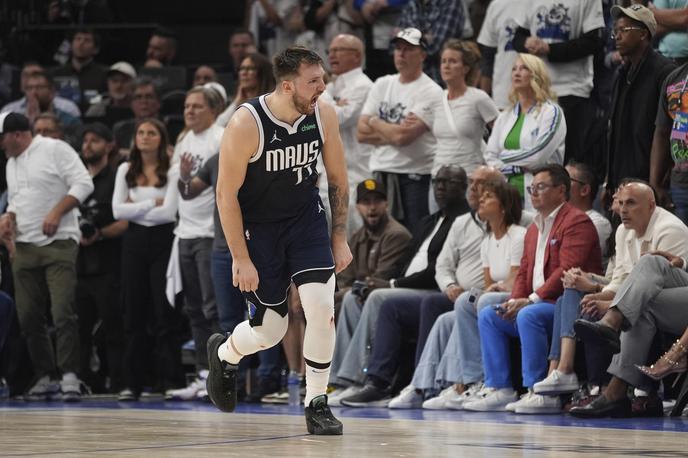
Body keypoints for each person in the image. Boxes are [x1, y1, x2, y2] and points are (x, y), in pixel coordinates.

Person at [209, 47, 352, 435]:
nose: (323, 87)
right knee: (269, 332)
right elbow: (226, 195)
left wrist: (339, 237)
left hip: (306, 220)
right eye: (314, 82)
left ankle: (317, 401)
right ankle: (225, 353)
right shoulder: (246, 123)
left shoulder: (323, 114)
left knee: (321, 309)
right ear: (288, 86)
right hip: (260, 230)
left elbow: (338, 179)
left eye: (322, 79)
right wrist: (240, 257)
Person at [327, 164, 471, 405]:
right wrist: (382, 282)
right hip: (405, 287)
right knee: (354, 297)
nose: (442, 188)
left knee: (377, 297)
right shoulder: (429, 221)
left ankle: (369, 382)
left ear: (464, 188)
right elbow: (404, 263)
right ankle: (345, 381)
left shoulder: (461, 222)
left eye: (450, 183)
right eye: (438, 183)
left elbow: (435, 270)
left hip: (429, 289)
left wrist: (390, 284)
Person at [463, 164, 602, 413]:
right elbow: (524, 272)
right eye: (531, 188)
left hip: (565, 304)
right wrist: (515, 300)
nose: (533, 193)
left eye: (540, 187)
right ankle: (500, 388)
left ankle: (538, 390)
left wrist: (530, 300)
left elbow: (566, 270)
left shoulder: (577, 222)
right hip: (538, 300)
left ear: (561, 190)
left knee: (529, 315)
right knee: (490, 315)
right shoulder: (534, 228)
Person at [389, 178, 525, 409]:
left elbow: (516, 278)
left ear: (503, 206)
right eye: (480, 198)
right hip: (491, 297)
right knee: (446, 320)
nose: (480, 200)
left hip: (514, 298)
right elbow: (488, 282)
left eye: (488, 197)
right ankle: (422, 385)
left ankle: (470, 380)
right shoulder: (488, 240)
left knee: (465, 303)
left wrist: (491, 290)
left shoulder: (519, 235)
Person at [0, 112, 94, 402]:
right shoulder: (12, 163)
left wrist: (57, 211)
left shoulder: (54, 149)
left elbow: (83, 183)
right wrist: (8, 216)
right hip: (23, 246)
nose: (1, 145)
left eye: (2, 139)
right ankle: (45, 374)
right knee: (28, 315)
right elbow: (19, 197)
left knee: (62, 310)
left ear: (16, 134)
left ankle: (69, 375)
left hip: (59, 243)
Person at [111, 118, 181, 401]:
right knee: (134, 311)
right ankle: (133, 382)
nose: (145, 137)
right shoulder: (125, 169)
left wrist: (134, 208)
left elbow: (169, 213)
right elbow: (117, 211)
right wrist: (152, 203)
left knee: (165, 312)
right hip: (134, 243)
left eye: (151, 133)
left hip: (164, 240)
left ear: (161, 139)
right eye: (141, 133)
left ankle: (171, 380)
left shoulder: (174, 171)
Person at [164, 86, 225, 401]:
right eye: (187, 106)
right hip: (184, 232)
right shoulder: (184, 139)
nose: (189, 111)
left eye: (197, 106)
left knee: (212, 307)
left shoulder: (222, 137)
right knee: (193, 308)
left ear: (213, 109)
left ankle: (220, 374)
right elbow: (182, 187)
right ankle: (202, 374)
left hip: (210, 233)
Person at [357, 27, 444, 230]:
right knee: (379, 236)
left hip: (414, 176)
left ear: (422, 54)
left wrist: (375, 122)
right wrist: (393, 130)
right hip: (380, 171)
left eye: (408, 49)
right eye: (398, 48)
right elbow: (360, 133)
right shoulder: (382, 84)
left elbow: (403, 138)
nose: (401, 54)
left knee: (413, 237)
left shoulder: (431, 91)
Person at [512, 0, 605, 167]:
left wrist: (550, 50)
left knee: (569, 160)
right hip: (536, 90)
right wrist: (526, 43)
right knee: (535, 157)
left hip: (572, 89)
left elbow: (594, 42)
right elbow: (518, 37)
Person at [603, 4, 676, 205]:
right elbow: (614, 132)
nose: (617, 36)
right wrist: (609, 182)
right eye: (615, 31)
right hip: (622, 183)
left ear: (643, 34)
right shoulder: (621, 74)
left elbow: (667, 131)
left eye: (624, 30)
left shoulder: (664, 73)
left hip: (649, 184)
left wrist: (658, 182)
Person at [76, 123, 128, 393]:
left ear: (109, 145)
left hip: (108, 263)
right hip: (79, 264)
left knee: (113, 327)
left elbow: (125, 221)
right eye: (85, 141)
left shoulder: (116, 177)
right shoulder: (76, 179)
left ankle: (118, 381)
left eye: (95, 140)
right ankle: (84, 379)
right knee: (80, 329)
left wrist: (100, 234)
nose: (88, 145)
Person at [484, 53, 566, 209]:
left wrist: (504, 156)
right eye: (514, 69)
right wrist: (517, 167)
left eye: (523, 68)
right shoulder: (505, 116)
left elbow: (538, 157)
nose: (516, 72)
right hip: (507, 196)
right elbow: (489, 156)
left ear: (536, 75)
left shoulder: (551, 112)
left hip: (541, 195)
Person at [319, 33, 374, 237]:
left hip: (357, 172)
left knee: (353, 235)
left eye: (338, 50)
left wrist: (320, 90)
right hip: (329, 171)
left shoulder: (364, 85)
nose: (331, 55)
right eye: (330, 51)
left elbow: (337, 118)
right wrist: (329, 99)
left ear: (357, 56)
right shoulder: (332, 87)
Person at [431, 39, 498, 176]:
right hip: (439, 177)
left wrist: (494, 160)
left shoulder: (478, 98)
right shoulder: (436, 99)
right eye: (443, 61)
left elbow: (502, 131)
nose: (446, 66)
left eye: (452, 61)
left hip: (469, 176)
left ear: (465, 69)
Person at [397, 0, 467, 83]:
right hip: (408, 79)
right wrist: (424, 37)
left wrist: (410, 38)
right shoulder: (412, 3)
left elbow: (435, 48)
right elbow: (395, 45)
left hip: (438, 80)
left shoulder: (451, 3)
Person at [477, 0, 522, 109]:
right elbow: (488, 58)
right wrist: (484, 104)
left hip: (541, 96)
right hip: (503, 96)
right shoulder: (497, 5)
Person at [51, 28, 108, 111]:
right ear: (71, 46)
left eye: (87, 40)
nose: (81, 43)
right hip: (64, 121)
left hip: (95, 120)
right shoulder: (56, 74)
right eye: (78, 39)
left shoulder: (104, 74)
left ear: (96, 49)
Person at [216, 53, 275, 127]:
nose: (244, 73)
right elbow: (219, 126)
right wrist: (237, 101)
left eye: (250, 68)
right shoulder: (237, 102)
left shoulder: (272, 102)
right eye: (242, 69)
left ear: (263, 73)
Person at [84, 62, 137, 128]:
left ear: (134, 84)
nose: (118, 86)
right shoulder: (97, 108)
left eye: (124, 81)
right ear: (108, 83)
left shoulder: (140, 107)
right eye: (114, 81)